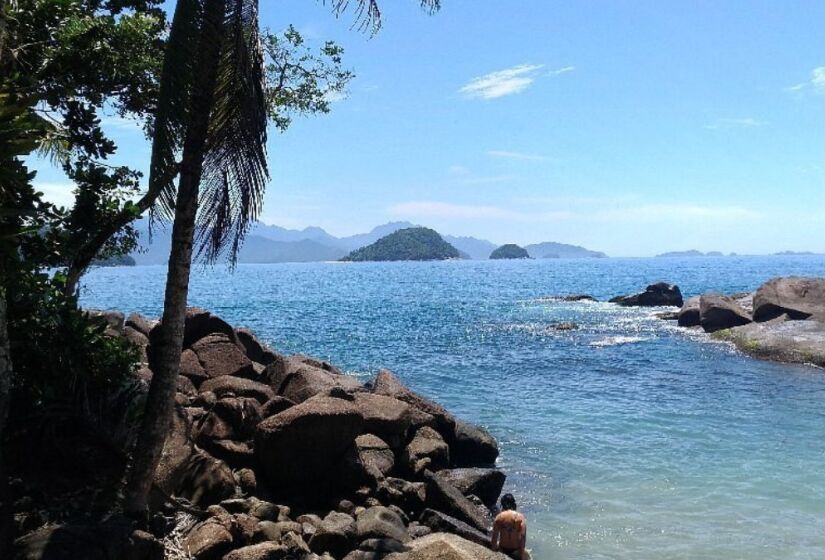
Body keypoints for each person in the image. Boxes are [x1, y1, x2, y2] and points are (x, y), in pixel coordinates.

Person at [491, 493, 528, 559]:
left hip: (503, 549)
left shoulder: (499, 517)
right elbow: (523, 537)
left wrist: (493, 551)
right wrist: (522, 554)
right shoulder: (520, 518)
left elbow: (494, 537)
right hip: (516, 550)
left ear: (502, 505)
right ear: (513, 504)